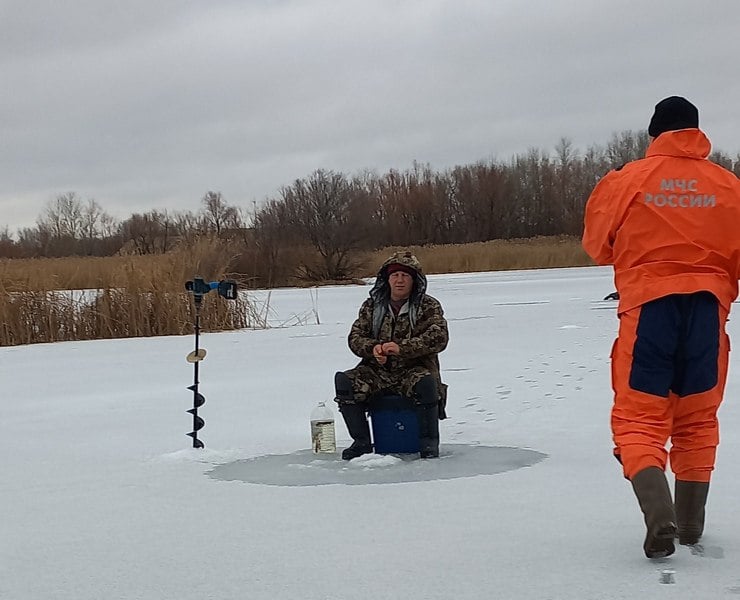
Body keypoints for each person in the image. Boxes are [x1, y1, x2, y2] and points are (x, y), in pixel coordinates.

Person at [582, 96, 740, 559]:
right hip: (708, 314)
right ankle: (690, 525)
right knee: (696, 419)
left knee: (638, 420)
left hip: (650, 309)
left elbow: (597, 246)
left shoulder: (627, 180)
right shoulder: (729, 185)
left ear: (655, 134)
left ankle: (660, 517)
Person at [334, 250, 449, 460]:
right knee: (345, 381)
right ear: (386, 279)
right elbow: (355, 336)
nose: (399, 280)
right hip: (377, 370)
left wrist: (401, 348)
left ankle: (429, 443)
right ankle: (361, 442)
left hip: (414, 369)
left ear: (415, 280)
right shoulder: (372, 306)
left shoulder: (428, 305)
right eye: (395, 275)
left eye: (405, 275)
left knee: (426, 383)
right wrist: (373, 349)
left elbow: (439, 337)